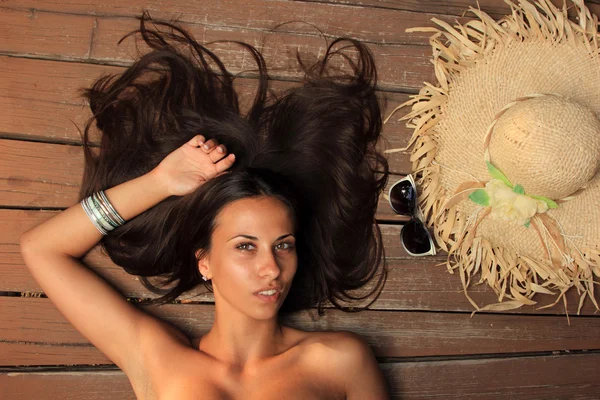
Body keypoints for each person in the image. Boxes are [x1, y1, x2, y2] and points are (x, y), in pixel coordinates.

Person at [19, 13, 390, 399]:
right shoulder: (156, 358)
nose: (271, 268)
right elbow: (43, 249)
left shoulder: (338, 361)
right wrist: (159, 183)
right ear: (205, 261)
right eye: (245, 246)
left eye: (283, 245)